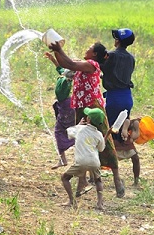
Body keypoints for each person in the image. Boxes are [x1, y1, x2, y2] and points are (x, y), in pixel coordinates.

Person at [49, 40, 125, 198]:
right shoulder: (83, 63)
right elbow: (66, 65)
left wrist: (59, 49)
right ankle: (82, 181)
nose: (86, 49)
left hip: (94, 106)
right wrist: (56, 50)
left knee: (107, 142)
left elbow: (70, 63)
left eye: (89, 48)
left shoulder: (92, 65)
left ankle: (117, 178)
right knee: (81, 142)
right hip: (81, 107)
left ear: (94, 54)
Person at [101, 28, 140, 185]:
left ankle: (102, 173)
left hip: (114, 97)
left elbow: (100, 68)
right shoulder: (130, 58)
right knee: (125, 132)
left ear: (117, 40)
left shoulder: (111, 55)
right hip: (126, 97)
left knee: (108, 132)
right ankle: (136, 179)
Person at [61, 108, 106, 210]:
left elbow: (69, 131)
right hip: (94, 162)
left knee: (65, 178)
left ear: (88, 119)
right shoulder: (99, 134)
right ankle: (100, 203)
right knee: (98, 181)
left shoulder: (80, 129)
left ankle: (72, 201)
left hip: (81, 161)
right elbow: (101, 149)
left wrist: (79, 125)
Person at [45, 52, 76, 169]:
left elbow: (65, 71)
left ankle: (63, 159)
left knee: (60, 131)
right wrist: (52, 59)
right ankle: (64, 159)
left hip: (66, 107)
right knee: (71, 130)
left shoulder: (67, 80)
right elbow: (59, 67)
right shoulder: (64, 75)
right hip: (66, 106)